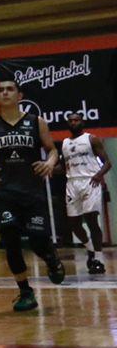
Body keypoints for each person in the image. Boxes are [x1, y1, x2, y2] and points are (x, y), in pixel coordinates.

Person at [0, 79, 66, 311]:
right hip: (6, 193)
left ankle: (51, 258)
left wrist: (50, 162)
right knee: (11, 241)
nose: (5, 93)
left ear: (19, 95)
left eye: (9, 89)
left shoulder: (36, 122)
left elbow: (53, 150)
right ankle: (25, 292)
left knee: (37, 240)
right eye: (0, 90)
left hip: (32, 192)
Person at [60, 112, 109, 273]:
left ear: (82, 122)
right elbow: (62, 166)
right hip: (72, 183)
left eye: (76, 120)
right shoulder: (65, 143)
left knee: (91, 220)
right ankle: (90, 249)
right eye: (70, 121)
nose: (73, 122)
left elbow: (107, 163)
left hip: (90, 181)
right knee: (73, 223)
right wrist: (47, 169)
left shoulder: (91, 139)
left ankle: (99, 260)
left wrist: (98, 175)